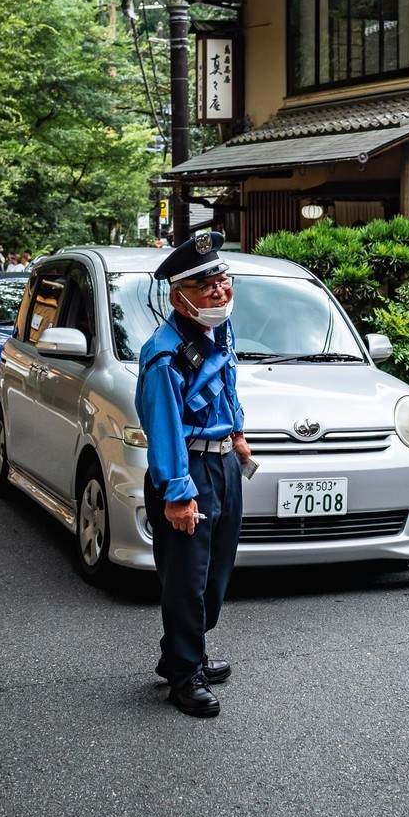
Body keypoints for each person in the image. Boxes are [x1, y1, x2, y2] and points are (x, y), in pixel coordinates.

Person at [135, 230, 252, 718]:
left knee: (216, 573)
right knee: (187, 578)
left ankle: (188, 652)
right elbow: (163, 430)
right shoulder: (164, 354)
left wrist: (239, 436)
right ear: (178, 296)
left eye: (223, 279)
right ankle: (184, 674)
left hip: (222, 461)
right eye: (207, 285)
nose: (220, 290)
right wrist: (178, 493)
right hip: (188, 469)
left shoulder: (213, 332)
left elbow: (226, 387)